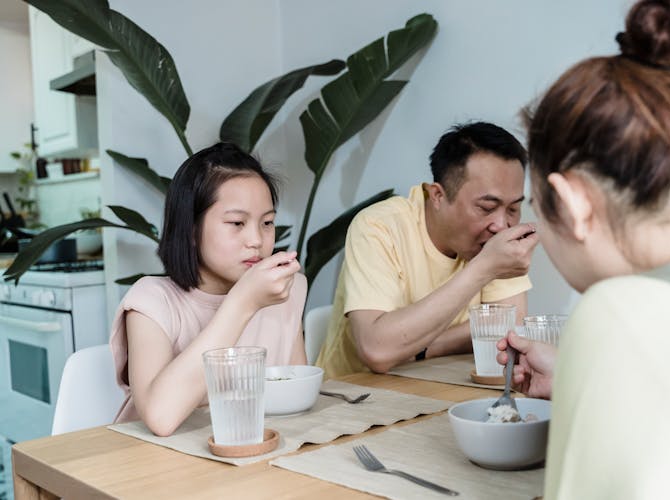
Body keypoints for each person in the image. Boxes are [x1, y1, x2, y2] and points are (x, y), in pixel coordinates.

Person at [496, 1, 670, 498]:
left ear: (573, 204)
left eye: (533, 206)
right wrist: (579, 375)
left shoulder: (620, 313)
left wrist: (604, 354)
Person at [110, 142, 306, 436]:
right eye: (237, 223)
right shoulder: (151, 301)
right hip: (152, 468)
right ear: (190, 229)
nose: (256, 239)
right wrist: (243, 303)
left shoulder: (286, 289)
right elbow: (160, 418)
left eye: (267, 222)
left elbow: (294, 399)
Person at [316, 121, 539, 378]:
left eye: (513, 209)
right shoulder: (379, 226)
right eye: (487, 208)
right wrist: (483, 269)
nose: (502, 225)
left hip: (440, 387)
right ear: (437, 196)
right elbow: (377, 350)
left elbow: (509, 328)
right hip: (353, 397)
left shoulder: (494, 240)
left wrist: (422, 347)